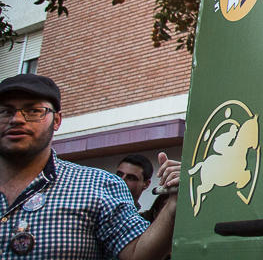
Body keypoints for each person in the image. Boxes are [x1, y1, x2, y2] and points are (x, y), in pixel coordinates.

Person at [0, 73, 180, 259]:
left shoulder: (98, 185)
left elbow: (138, 255)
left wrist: (174, 204)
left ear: (56, 120)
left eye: (33, 111)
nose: (16, 119)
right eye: (5, 111)